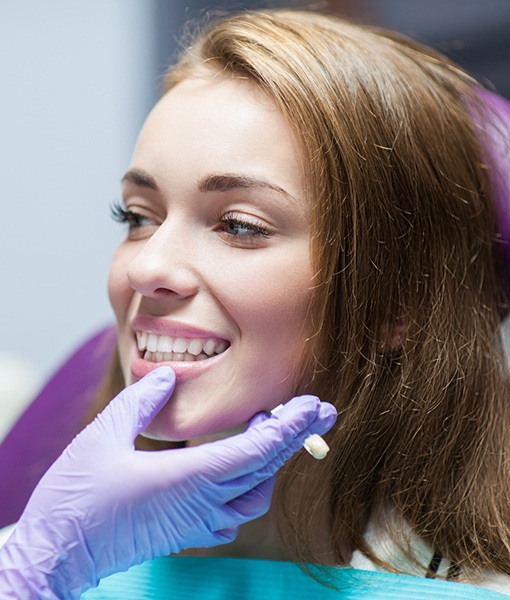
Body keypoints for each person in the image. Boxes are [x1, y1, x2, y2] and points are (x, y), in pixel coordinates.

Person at [1, 7, 510, 599]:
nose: (145, 268)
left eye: (239, 226)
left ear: (398, 305)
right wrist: (39, 566)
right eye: (138, 216)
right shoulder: (44, 556)